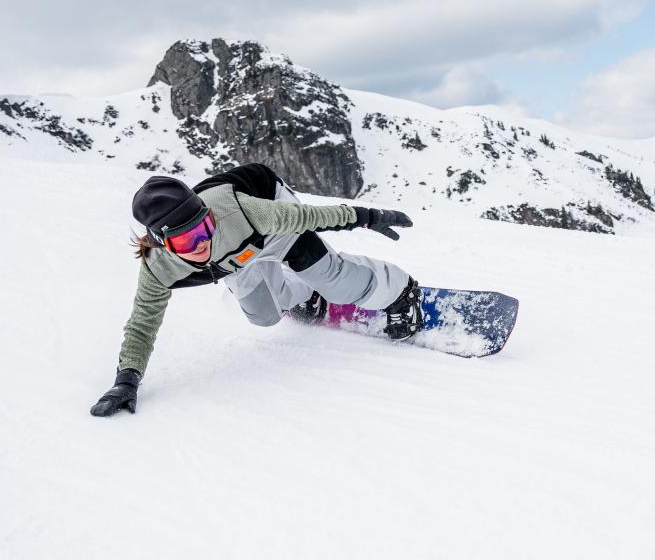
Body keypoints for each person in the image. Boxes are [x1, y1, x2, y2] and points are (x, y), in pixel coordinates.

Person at [90, 163, 423, 416]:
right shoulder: (159, 268)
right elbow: (142, 324)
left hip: (267, 221)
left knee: (334, 282)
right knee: (264, 316)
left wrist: (366, 216)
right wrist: (127, 380)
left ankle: (400, 291)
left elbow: (307, 216)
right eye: (187, 240)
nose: (202, 242)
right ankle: (307, 294)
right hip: (237, 256)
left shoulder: (238, 212)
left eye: (204, 227)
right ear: (163, 244)